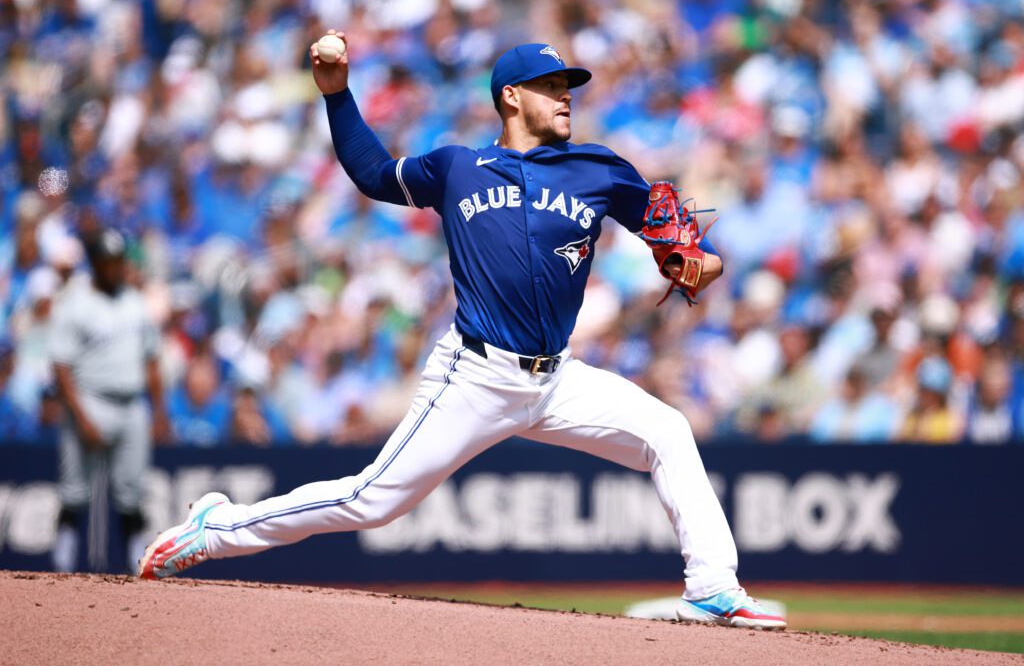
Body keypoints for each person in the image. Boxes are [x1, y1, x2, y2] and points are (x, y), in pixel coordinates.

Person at [139, 36, 785, 630]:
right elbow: (372, 174)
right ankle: (216, 528)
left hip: (555, 378)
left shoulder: (598, 169)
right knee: (370, 501)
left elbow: (689, 249)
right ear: (511, 95)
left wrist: (695, 261)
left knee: (666, 430)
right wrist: (336, 93)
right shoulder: (457, 167)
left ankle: (712, 584)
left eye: (569, 86)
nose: (566, 97)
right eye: (551, 85)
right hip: (475, 374)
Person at [50, 228, 170, 573]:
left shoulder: (134, 302)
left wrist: (160, 411)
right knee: (74, 492)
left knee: (132, 493)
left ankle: (139, 565)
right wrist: (82, 416)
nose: (117, 268)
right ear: (96, 263)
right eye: (110, 262)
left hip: (132, 404)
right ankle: (60, 569)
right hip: (90, 399)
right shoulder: (76, 302)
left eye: (120, 261)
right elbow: (61, 368)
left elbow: (151, 360)